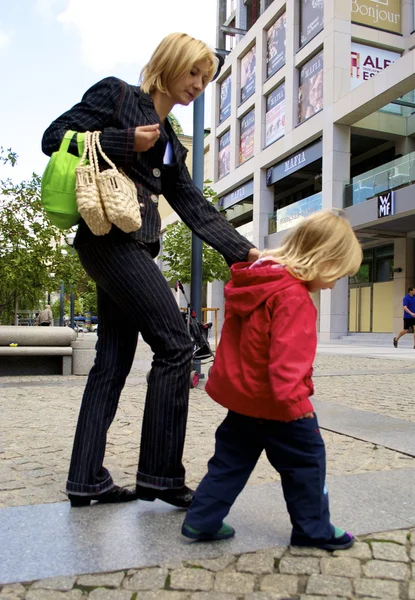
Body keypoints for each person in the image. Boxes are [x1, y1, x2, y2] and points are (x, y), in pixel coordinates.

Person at [42, 33, 259, 508]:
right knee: (177, 346)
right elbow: (52, 138)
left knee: (112, 363)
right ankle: (160, 476)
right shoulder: (118, 97)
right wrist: (121, 140)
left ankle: (86, 479)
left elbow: (193, 206)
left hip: (135, 249)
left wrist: (244, 252)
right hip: (107, 240)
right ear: (169, 65)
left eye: (206, 78)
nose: (199, 84)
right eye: (193, 73)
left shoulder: (168, 145)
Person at [182, 211, 363, 550]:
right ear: (322, 260)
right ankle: (313, 529)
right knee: (307, 466)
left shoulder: (256, 284)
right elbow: (287, 362)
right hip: (282, 407)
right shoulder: (294, 298)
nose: (336, 283)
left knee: (228, 463)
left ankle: (201, 520)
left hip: (244, 403)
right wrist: (298, 407)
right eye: (338, 274)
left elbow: (241, 348)